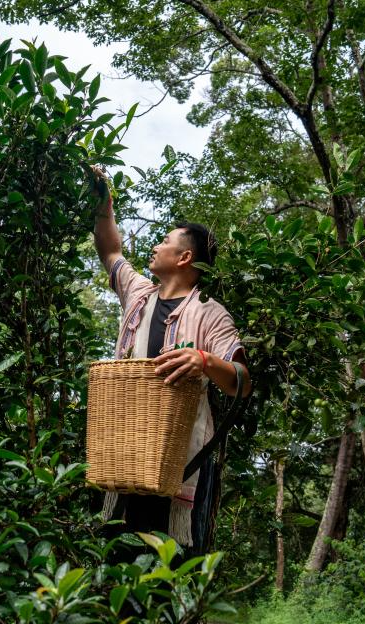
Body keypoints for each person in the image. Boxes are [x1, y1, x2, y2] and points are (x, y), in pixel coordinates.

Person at [90, 166, 251, 548]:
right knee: (118, 553)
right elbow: (110, 251)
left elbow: (242, 382)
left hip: (182, 459)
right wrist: (103, 206)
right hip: (126, 449)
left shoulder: (211, 313)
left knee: (172, 559)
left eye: (164, 241)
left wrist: (205, 360)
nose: (155, 247)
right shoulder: (139, 294)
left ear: (184, 256)